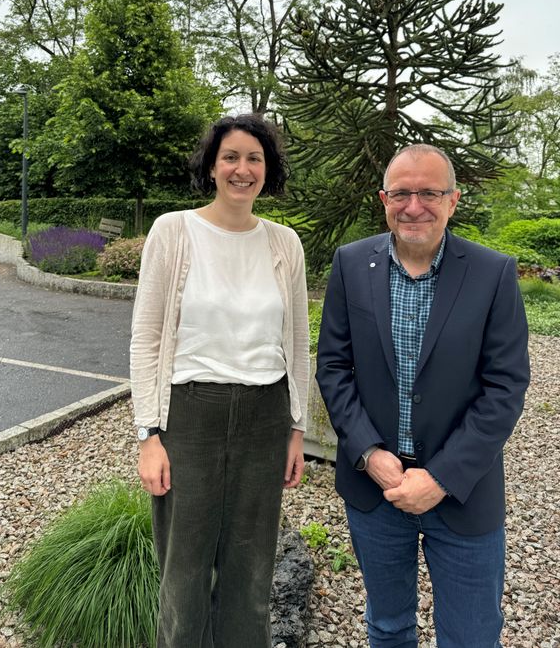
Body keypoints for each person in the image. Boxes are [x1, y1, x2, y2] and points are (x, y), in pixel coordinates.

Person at [316, 143, 530, 648]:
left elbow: (506, 385)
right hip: (376, 491)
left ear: (452, 200)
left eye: (429, 193)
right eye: (402, 193)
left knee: (472, 637)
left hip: (462, 491)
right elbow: (333, 367)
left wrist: (441, 476)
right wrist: (368, 454)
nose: (414, 206)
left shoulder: (493, 273)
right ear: (383, 199)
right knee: (387, 628)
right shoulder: (350, 264)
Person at [130, 113, 310, 648]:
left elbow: (297, 342)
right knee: (184, 570)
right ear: (211, 166)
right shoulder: (174, 231)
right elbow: (147, 338)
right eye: (230, 156)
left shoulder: (285, 244)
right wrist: (149, 436)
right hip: (190, 415)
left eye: (254, 158)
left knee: (251, 571)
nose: (242, 168)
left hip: (265, 416)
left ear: (267, 169)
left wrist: (296, 430)